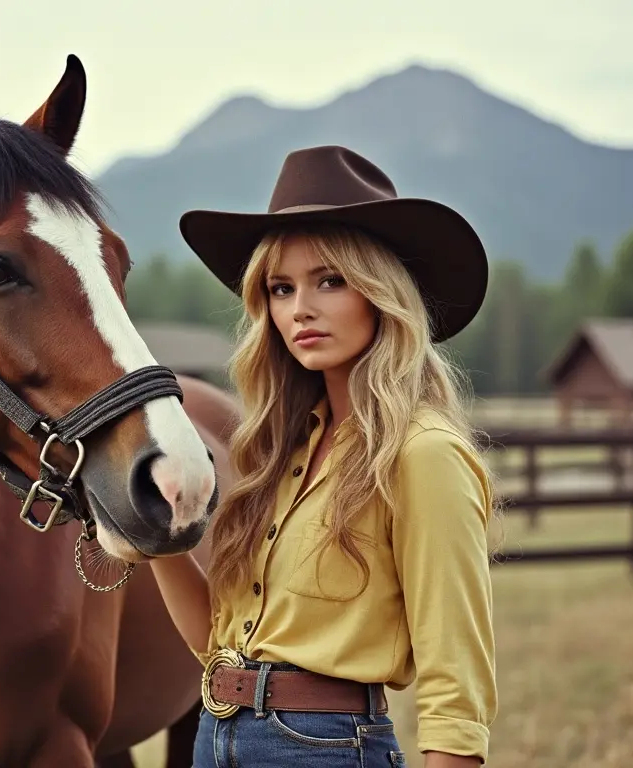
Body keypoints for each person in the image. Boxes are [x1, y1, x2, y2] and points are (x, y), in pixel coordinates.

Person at [150, 145, 498, 767]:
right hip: (215, 740)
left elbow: (456, 688)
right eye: (281, 288)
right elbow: (218, 645)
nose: (299, 308)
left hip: (328, 750)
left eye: (329, 280)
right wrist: (157, 538)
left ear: (381, 293)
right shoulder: (274, 456)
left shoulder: (424, 456)